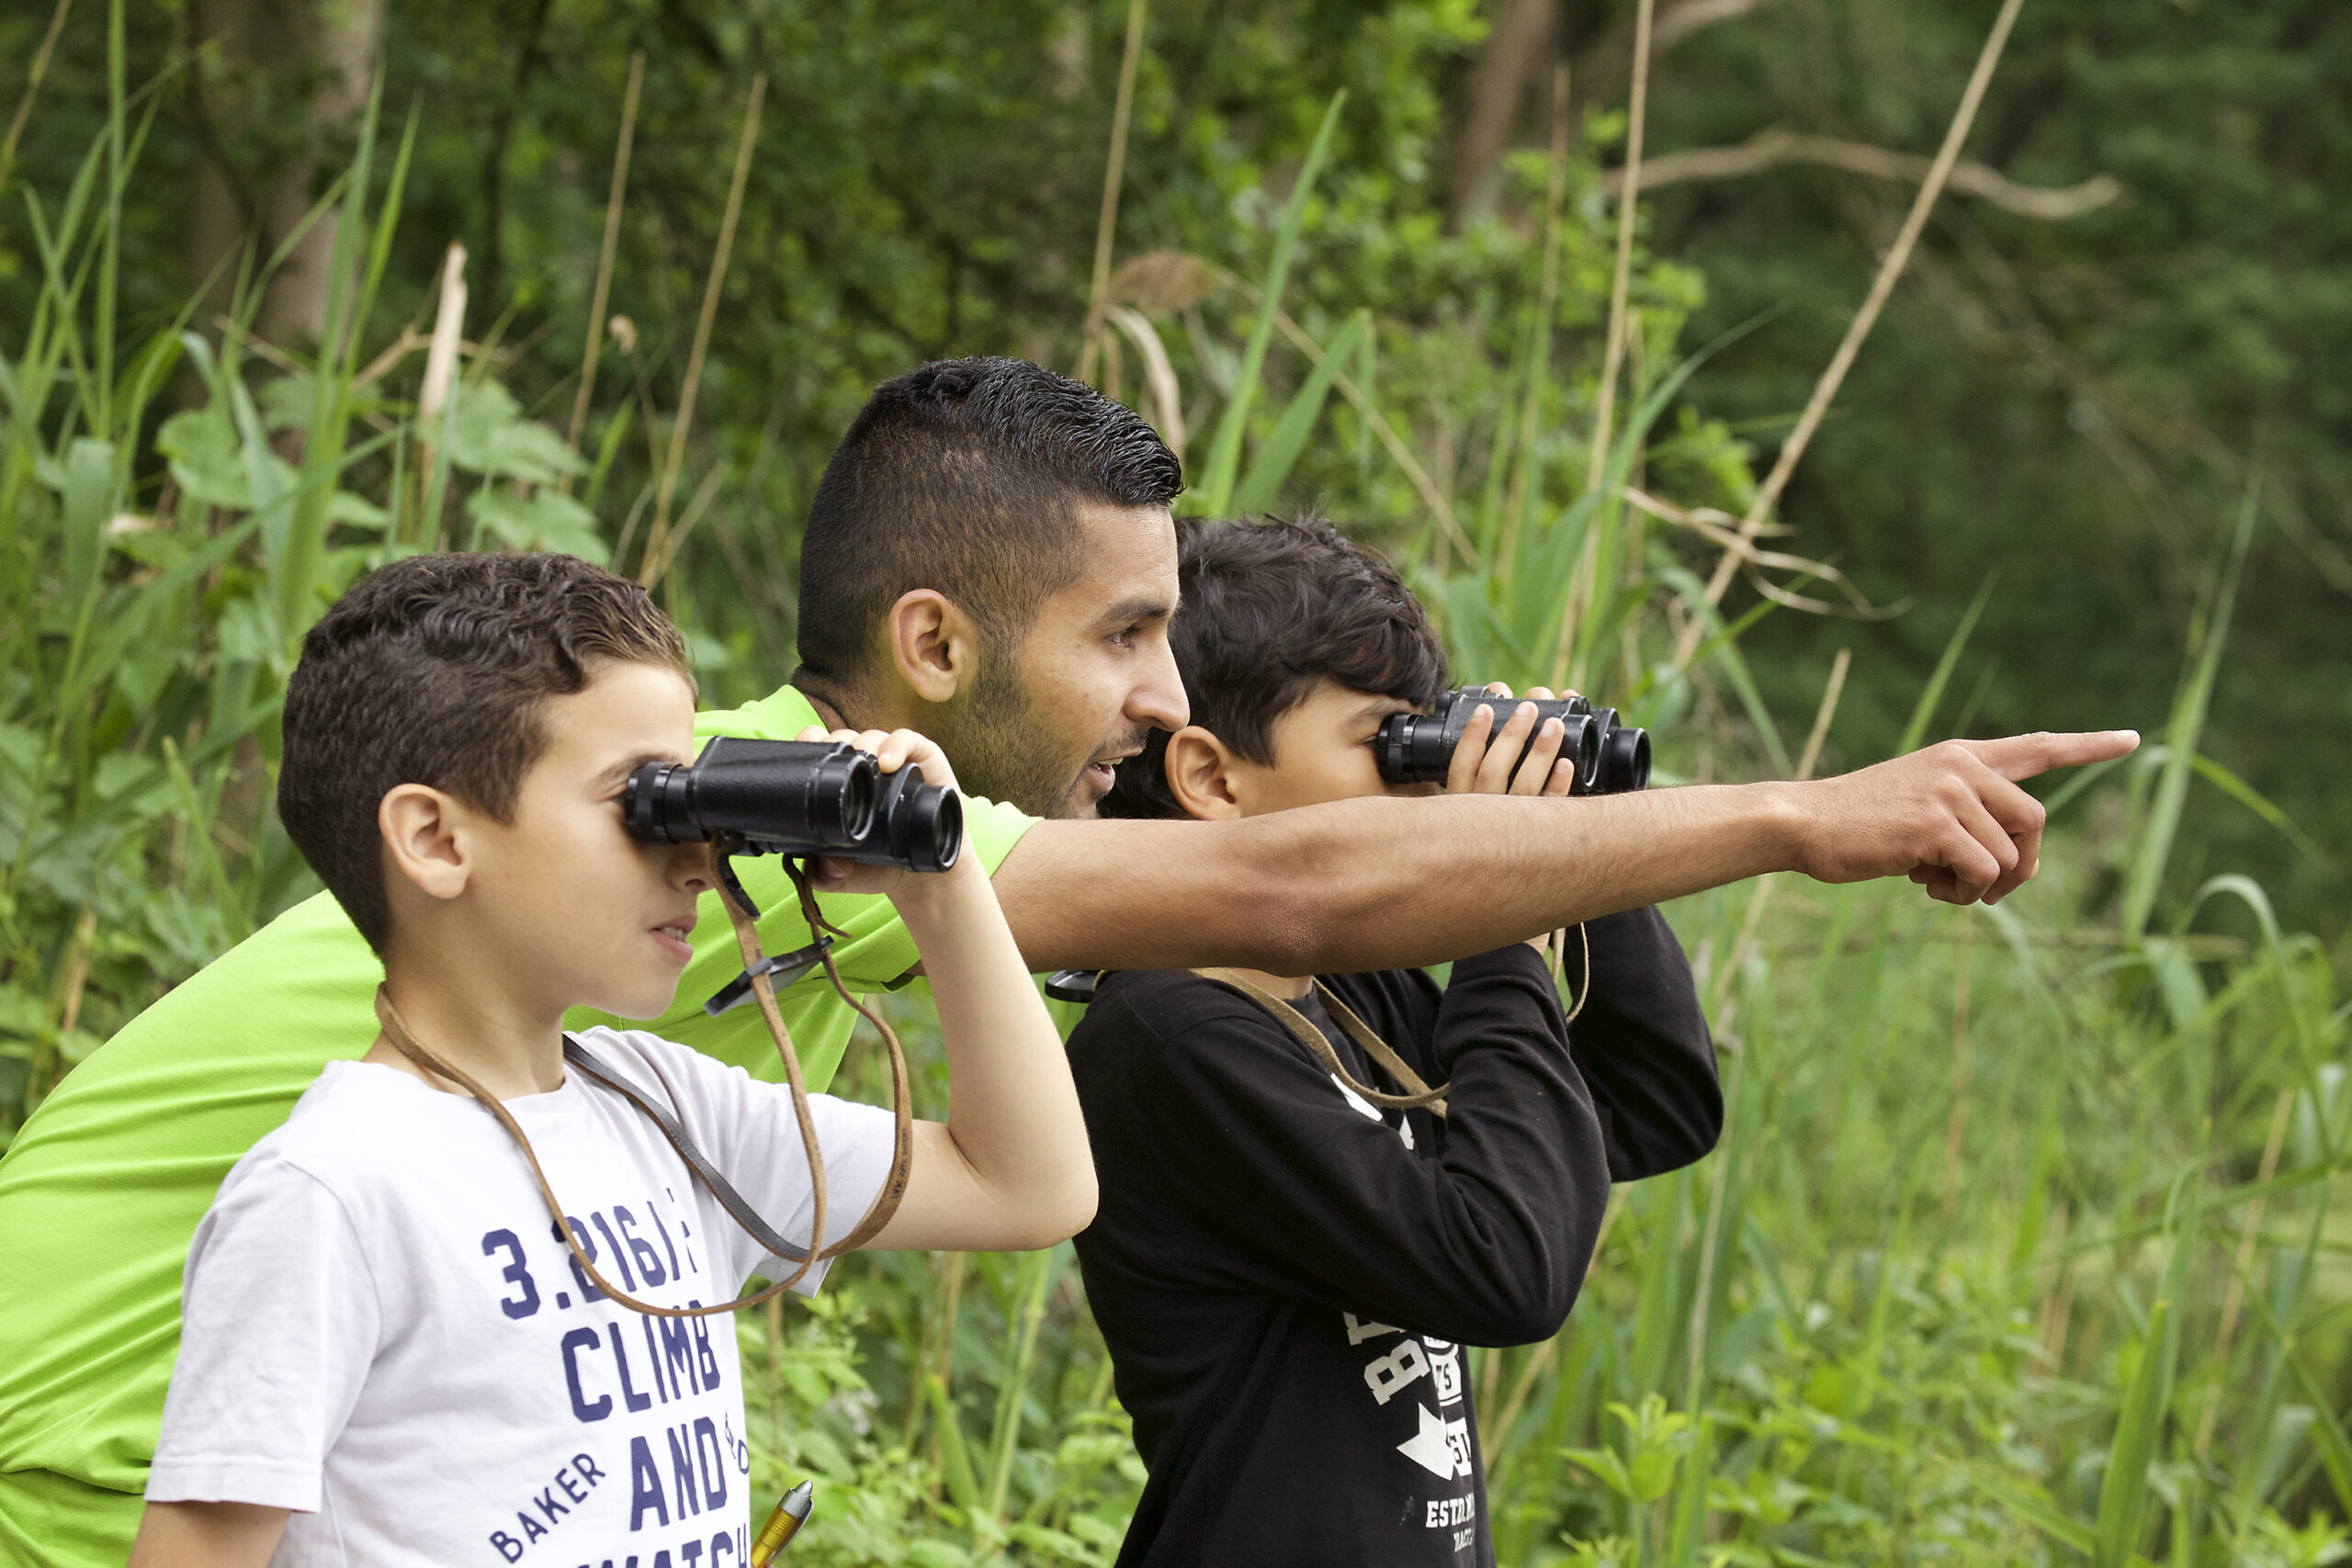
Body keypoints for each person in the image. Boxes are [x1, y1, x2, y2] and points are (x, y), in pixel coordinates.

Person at [0, 357, 2134, 1563]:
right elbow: (1293, 896)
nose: (1161, 695)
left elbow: (1016, 1175)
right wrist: (1793, 814)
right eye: (1122, 637)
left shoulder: (674, 932)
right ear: (929, 647)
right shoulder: (745, 802)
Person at [126, 552, 1094, 1566]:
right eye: (641, 802)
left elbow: (1028, 1188)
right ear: (435, 839)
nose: (698, 854)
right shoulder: (330, 1189)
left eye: (690, 800)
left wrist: (936, 880)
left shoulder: (664, 1108)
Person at [1069, 517, 1717, 1566]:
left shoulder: (1347, 990)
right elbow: (1505, 1267)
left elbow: (1648, 1106)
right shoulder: (1173, 1033)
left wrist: (1578, 829)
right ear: (1214, 780)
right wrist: (1502, 899)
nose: (1426, 786)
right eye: (1387, 745)